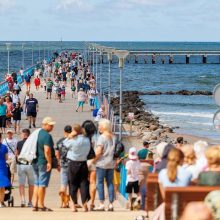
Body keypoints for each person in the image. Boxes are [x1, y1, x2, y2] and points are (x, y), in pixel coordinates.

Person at [63, 124, 91, 212]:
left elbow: (65, 144)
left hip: (73, 163)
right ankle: (85, 202)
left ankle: (73, 204)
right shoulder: (87, 139)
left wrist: (69, 136)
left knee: (73, 184)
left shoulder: (73, 140)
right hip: (83, 163)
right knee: (84, 183)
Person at [32, 117, 56, 211]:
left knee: (37, 183)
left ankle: (35, 204)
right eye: (50, 125)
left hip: (35, 161)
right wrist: (49, 162)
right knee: (42, 184)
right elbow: (47, 150)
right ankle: (41, 205)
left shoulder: (37, 133)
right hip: (43, 162)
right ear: (45, 124)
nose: (52, 127)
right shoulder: (46, 136)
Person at [95, 119, 115, 211]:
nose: (98, 127)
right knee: (110, 183)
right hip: (111, 163)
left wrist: (92, 160)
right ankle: (111, 204)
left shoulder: (102, 137)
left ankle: (102, 203)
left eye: (99, 126)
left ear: (103, 127)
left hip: (102, 163)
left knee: (100, 183)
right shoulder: (114, 137)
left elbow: (99, 151)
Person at [81, 120, 98, 211]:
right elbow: (98, 150)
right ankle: (91, 204)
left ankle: (84, 204)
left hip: (83, 161)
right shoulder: (96, 137)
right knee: (92, 182)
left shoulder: (81, 138)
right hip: (93, 161)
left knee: (83, 182)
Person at [16, 129, 34, 207]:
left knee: (21, 184)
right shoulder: (33, 144)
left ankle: (23, 200)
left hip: (21, 165)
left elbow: (16, 154)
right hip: (31, 165)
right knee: (31, 184)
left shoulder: (19, 143)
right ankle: (30, 202)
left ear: (24, 134)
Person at [55, 125, 72, 195]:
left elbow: (57, 154)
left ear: (64, 131)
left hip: (63, 163)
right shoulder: (73, 140)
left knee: (63, 183)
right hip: (72, 164)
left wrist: (58, 163)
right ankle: (71, 200)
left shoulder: (59, 141)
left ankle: (63, 203)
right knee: (71, 183)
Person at [0, 133, 11, 208]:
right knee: (2, 186)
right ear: (0, 138)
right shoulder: (4, 147)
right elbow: (6, 158)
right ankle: (1, 202)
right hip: (2, 166)